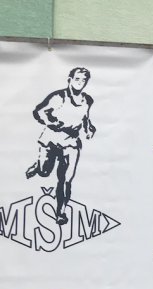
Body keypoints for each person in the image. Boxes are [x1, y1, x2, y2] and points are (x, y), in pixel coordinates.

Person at [25, 67, 96, 225]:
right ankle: (38, 166)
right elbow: (38, 112)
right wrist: (55, 124)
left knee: (65, 180)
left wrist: (89, 129)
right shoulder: (58, 97)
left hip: (71, 143)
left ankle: (61, 212)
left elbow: (85, 118)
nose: (80, 83)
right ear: (70, 80)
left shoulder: (87, 100)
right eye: (77, 79)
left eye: (83, 80)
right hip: (51, 141)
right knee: (44, 172)